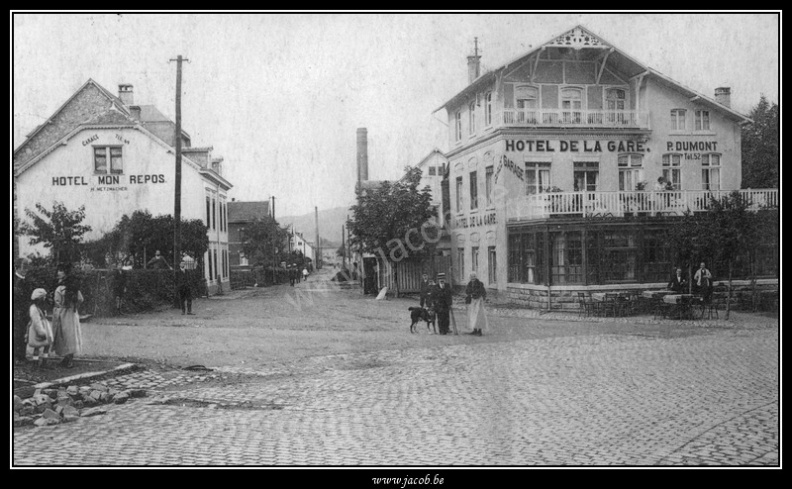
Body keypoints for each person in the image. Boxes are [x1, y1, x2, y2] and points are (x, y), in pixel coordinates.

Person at [52, 264, 84, 368]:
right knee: (65, 336)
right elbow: (80, 299)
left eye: (61, 271)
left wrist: (71, 306)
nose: (58, 273)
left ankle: (69, 359)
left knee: (69, 335)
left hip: (66, 313)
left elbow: (80, 299)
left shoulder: (68, 287)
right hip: (66, 313)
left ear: (66, 273)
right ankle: (66, 358)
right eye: (58, 270)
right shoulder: (63, 285)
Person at [28, 288, 54, 369]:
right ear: (39, 298)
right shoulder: (34, 308)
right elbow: (36, 321)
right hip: (38, 328)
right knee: (37, 345)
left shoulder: (40, 307)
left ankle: (44, 362)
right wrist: (41, 332)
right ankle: (35, 363)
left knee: (47, 344)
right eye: (43, 298)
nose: (44, 299)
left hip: (44, 326)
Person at [13, 258, 32, 364]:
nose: (26, 269)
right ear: (17, 267)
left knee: (24, 333)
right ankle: (15, 357)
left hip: (25, 311)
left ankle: (22, 356)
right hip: (16, 312)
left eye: (27, 266)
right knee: (16, 334)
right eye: (24, 266)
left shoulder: (27, 281)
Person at [465, 272, 489, 337]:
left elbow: (483, 292)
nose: (473, 278)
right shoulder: (469, 284)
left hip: (478, 302)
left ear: (476, 277)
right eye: (471, 277)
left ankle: (479, 331)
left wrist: (483, 298)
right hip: (472, 301)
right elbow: (467, 291)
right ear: (470, 278)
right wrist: (470, 295)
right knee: (472, 316)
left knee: (479, 316)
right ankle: (475, 330)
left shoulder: (480, 284)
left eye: (474, 276)